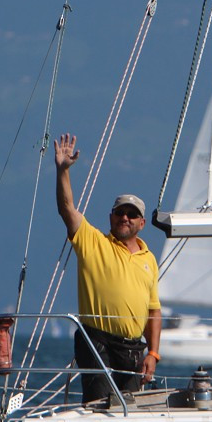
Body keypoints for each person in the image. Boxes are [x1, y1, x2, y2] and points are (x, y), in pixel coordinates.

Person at [54, 133, 161, 405]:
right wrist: (63, 171)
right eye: (119, 212)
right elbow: (67, 208)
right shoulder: (93, 241)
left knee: (133, 408)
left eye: (132, 214)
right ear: (110, 217)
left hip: (134, 347)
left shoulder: (149, 260)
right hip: (97, 340)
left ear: (142, 223)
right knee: (98, 406)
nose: (125, 217)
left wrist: (154, 354)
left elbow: (153, 310)